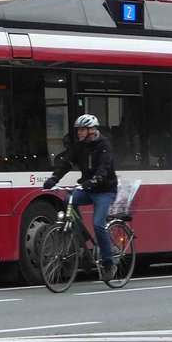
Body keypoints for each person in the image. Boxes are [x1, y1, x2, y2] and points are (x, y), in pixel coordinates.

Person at [43, 114, 119, 281]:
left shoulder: (103, 144)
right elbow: (66, 163)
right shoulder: (79, 147)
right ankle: (84, 242)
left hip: (105, 191)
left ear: (92, 130)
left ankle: (109, 264)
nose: (79, 133)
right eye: (78, 130)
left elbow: (104, 167)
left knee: (98, 224)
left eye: (82, 130)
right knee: (68, 201)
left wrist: (96, 179)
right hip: (88, 189)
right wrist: (54, 178)